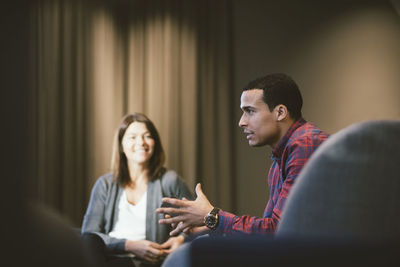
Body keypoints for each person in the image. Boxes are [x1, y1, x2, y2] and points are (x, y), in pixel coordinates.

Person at [156, 73, 329, 237]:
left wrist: (212, 217)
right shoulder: (282, 157)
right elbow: (270, 228)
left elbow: (278, 232)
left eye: (250, 111)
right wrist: (210, 226)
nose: (241, 122)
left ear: (280, 112)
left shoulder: (305, 145)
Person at [81, 113, 193, 267]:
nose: (141, 142)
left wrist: (180, 239)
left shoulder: (169, 180)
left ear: (155, 142)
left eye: (147, 136)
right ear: (121, 145)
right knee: (86, 241)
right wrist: (129, 245)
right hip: (108, 259)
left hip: (148, 263)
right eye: (132, 137)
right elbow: (90, 235)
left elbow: (196, 223)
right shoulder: (105, 184)